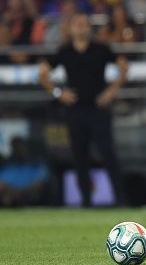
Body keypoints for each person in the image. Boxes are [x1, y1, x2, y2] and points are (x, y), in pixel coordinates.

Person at [39, 13, 128, 207]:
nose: (81, 28)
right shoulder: (65, 51)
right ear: (71, 29)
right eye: (77, 24)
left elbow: (123, 66)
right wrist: (58, 93)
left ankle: (120, 200)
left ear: (90, 28)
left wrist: (112, 90)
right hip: (75, 110)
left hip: (98, 109)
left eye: (84, 24)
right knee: (80, 157)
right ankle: (86, 202)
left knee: (108, 154)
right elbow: (43, 73)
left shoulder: (101, 49)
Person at [0, 137, 49, 207]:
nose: (18, 151)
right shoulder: (9, 165)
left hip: (29, 193)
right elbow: (2, 183)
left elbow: (41, 184)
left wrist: (19, 193)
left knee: (36, 189)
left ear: (26, 147)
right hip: (9, 193)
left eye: (20, 147)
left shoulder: (37, 164)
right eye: (15, 148)